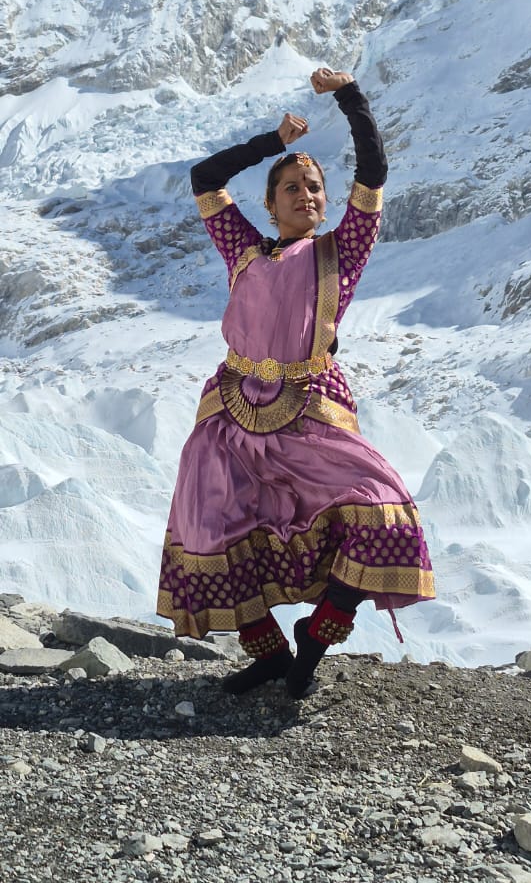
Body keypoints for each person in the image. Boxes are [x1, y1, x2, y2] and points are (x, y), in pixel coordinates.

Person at [157, 67, 435, 697]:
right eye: (291, 187)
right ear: (270, 203)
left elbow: (374, 172)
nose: (305, 195)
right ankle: (270, 655)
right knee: (211, 526)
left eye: (314, 188)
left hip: (310, 408)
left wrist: (349, 95)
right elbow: (205, 179)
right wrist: (273, 142)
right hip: (229, 412)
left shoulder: (341, 252)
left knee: (380, 511)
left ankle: (317, 636)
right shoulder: (244, 251)